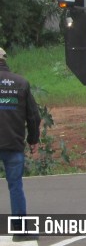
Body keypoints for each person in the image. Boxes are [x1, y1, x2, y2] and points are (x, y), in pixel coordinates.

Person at [0, 47, 41, 242]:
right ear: (5, 60)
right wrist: (33, 140)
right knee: (15, 186)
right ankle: (20, 231)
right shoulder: (21, 83)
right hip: (13, 144)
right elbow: (33, 116)